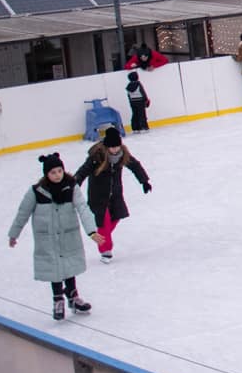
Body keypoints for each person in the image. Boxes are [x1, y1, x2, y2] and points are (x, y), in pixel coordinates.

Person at [8, 152, 97, 320]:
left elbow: (83, 208)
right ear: (46, 174)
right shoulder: (36, 192)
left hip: (68, 235)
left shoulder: (72, 187)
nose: (57, 175)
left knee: (69, 265)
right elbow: (22, 213)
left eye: (59, 171)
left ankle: (73, 296)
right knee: (54, 268)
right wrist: (14, 234)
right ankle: (58, 300)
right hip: (47, 239)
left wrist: (91, 231)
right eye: (53, 172)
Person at [75, 126, 151, 263]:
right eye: (112, 147)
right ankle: (106, 251)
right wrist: (75, 185)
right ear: (107, 146)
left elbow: (135, 166)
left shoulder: (123, 154)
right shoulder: (97, 156)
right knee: (104, 223)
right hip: (98, 196)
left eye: (117, 146)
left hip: (115, 194)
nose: (115, 149)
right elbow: (83, 171)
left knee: (116, 217)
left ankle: (102, 235)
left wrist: (144, 181)